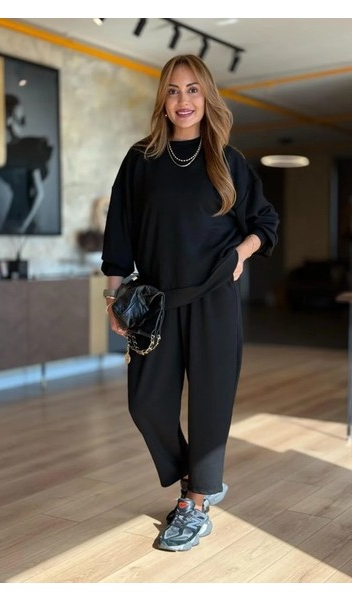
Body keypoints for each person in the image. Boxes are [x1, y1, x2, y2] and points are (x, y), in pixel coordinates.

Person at [101, 54, 279, 552]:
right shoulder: (140, 160)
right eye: (174, 90)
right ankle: (197, 480)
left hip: (214, 300)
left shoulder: (228, 160)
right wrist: (113, 296)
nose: (184, 100)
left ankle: (196, 504)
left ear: (207, 96)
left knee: (209, 404)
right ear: (163, 99)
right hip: (155, 302)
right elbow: (119, 232)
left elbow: (265, 223)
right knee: (146, 403)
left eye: (193, 89)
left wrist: (241, 253)